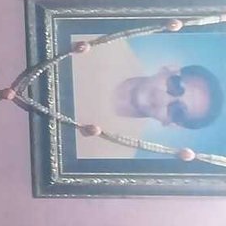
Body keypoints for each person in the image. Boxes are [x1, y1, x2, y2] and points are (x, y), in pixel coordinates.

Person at [72, 45, 224, 154]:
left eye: (177, 111)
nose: (163, 98)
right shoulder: (99, 48)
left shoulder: (113, 151)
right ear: (169, 69)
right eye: (175, 86)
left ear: (172, 124)